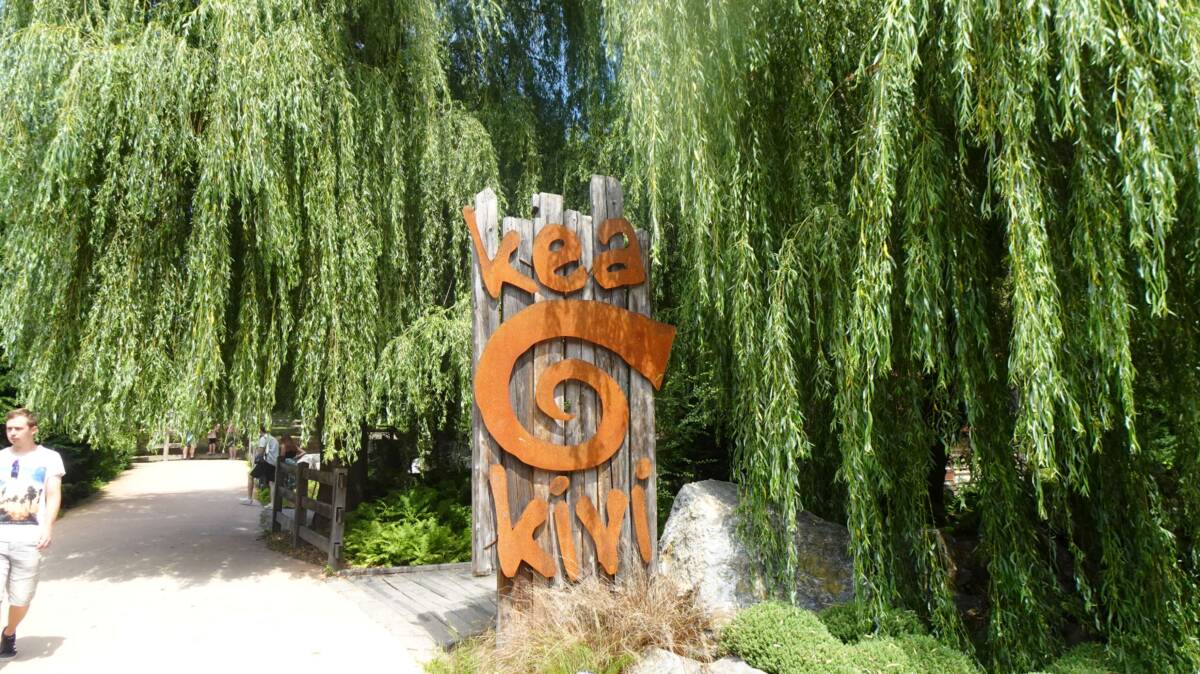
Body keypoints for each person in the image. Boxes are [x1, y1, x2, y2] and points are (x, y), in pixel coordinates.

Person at [0, 408, 64, 658]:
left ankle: (9, 632)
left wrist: (47, 527)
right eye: (9, 428)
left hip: (29, 540)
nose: (12, 433)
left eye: (18, 428)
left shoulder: (50, 458)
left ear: (33, 429)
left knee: (21, 599)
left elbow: (53, 495)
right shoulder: (1, 457)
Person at [244, 426, 279, 504]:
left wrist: (257, 449)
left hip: (265, 462)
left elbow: (261, 452)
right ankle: (272, 503)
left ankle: (249, 498)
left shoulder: (263, 439)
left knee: (250, 476)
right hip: (273, 463)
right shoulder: (273, 439)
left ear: (260, 431)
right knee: (272, 483)